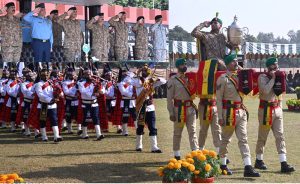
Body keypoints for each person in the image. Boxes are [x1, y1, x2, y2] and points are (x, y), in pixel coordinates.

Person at [216, 54, 260, 177]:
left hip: (241, 111)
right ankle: (222, 165)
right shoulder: (223, 78)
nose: (236, 63)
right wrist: (219, 116)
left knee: (243, 139)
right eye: (233, 61)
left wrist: (243, 72)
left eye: (237, 61)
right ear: (228, 64)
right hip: (228, 112)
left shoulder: (241, 77)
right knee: (225, 139)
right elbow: (218, 99)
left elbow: (250, 84)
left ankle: (248, 167)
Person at [254, 57, 295, 173]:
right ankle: (259, 160)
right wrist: (272, 78)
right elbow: (266, 90)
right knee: (263, 137)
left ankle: (283, 163)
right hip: (266, 109)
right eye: (274, 64)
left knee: (280, 136)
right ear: (269, 66)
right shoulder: (262, 77)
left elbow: (280, 93)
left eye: (277, 64)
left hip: (277, 108)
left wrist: (280, 109)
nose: (276, 66)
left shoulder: (278, 76)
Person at [167, 58, 199, 160]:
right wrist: (171, 112)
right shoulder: (173, 80)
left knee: (193, 132)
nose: (184, 65)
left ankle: (195, 154)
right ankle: (177, 155)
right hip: (178, 109)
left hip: (190, 108)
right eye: (182, 64)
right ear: (178, 66)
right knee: (177, 133)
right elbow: (169, 99)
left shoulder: (190, 77)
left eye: (185, 64)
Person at [132, 64, 166, 153]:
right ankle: (138, 146)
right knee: (140, 127)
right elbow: (128, 80)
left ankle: (154, 147)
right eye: (143, 71)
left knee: (152, 127)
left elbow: (164, 81)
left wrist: (155, 79)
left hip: (150, 107)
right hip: (141, 107)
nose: (144, 72)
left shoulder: (151, 82)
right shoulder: (137, 81)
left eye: (146, 71)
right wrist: (136, 73)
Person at [35, 68, 63, 142]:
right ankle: (44, 137)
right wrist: (50, 99)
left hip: (52, 105)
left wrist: (59, 94)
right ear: (40, 75)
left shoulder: (52, 83)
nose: (45, 76)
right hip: (43, 105)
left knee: (54, 120)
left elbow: (58, 90)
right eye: (43, 75)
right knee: (43, 121)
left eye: (47, 74)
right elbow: (40, 95)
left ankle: (56, 136)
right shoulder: (38, 84)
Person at [77, 67, 105, 140]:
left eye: (90, 74)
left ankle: (99, 134)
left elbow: (102, 89)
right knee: (85, 118)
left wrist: (101, 91)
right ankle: (84, 134)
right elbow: (83, 91)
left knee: (96, 118)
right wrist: (94, 93)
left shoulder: (95, 82)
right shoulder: (80, 82)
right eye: (87, 74)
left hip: (94, 103)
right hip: (85, 103)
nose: (89, 75)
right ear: (84, 75)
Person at [62, 67, 80, 134]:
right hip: (69, 101)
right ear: (69, 75)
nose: (73, 76)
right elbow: (66, 92)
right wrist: (75, 92)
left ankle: (79, 129)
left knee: (78, 115)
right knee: (68, 115)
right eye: (72, 75)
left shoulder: (77, 82)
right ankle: (69, 130)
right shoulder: (65, 83)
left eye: (74, 74)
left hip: (76, 101)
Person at [4, 68, 20, 132]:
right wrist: (16, 94)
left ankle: (21, 126)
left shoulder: (19, 81)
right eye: (12, 75)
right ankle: (12, 127)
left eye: (14, 75)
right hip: (12, 100)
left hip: (19, 100)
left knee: (19, 112)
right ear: (10, 75)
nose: (13, 76)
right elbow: (9, 91)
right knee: (12, 113)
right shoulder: (9, 82)